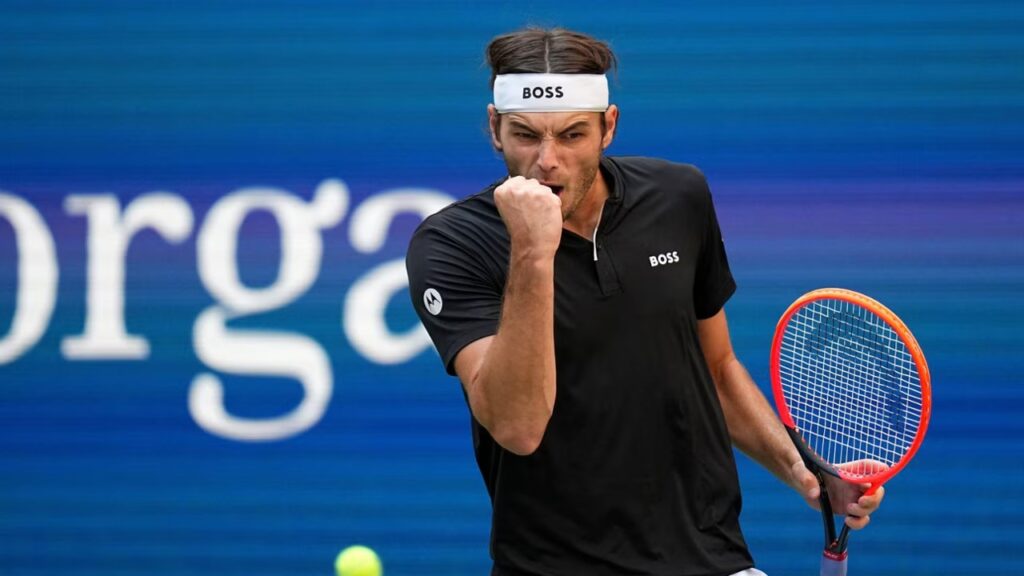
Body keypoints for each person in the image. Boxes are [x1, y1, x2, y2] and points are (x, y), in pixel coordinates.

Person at [405, 27, 884, 576]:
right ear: (494, 128)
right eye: (525, 135)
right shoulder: (451, 244)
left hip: (712, 557)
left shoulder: (679, 196)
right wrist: (533, 253)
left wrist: (807, 473)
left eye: (572, 134)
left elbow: (716, 368)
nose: (547, 161)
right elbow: (517, 427)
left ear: (609, 127)